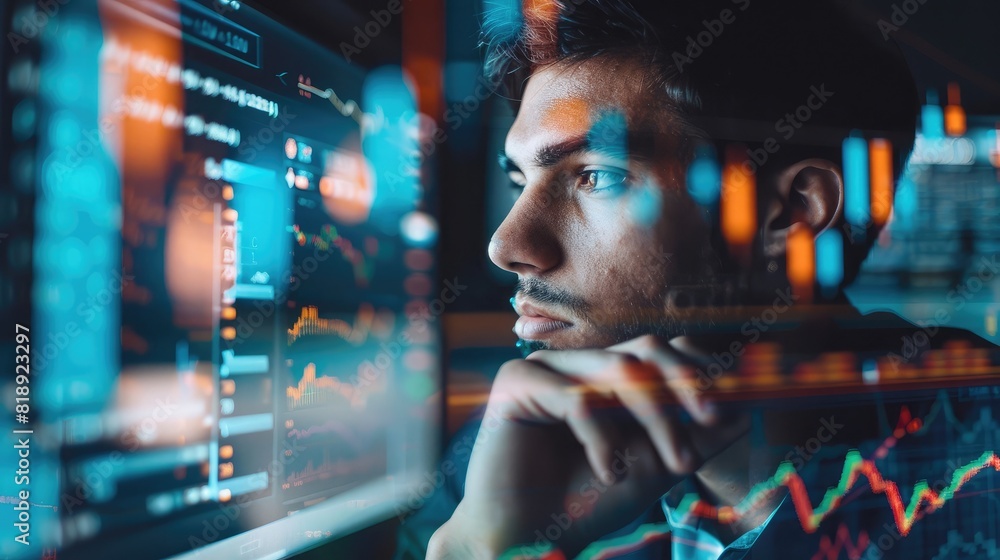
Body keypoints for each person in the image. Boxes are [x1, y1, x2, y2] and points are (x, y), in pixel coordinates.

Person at [395, 1, 997, 558]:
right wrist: (480, 548)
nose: (506, 246)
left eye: (597, 177)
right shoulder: (508, 452)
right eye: (519, 181)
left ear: (792, 213)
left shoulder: (977, 466)